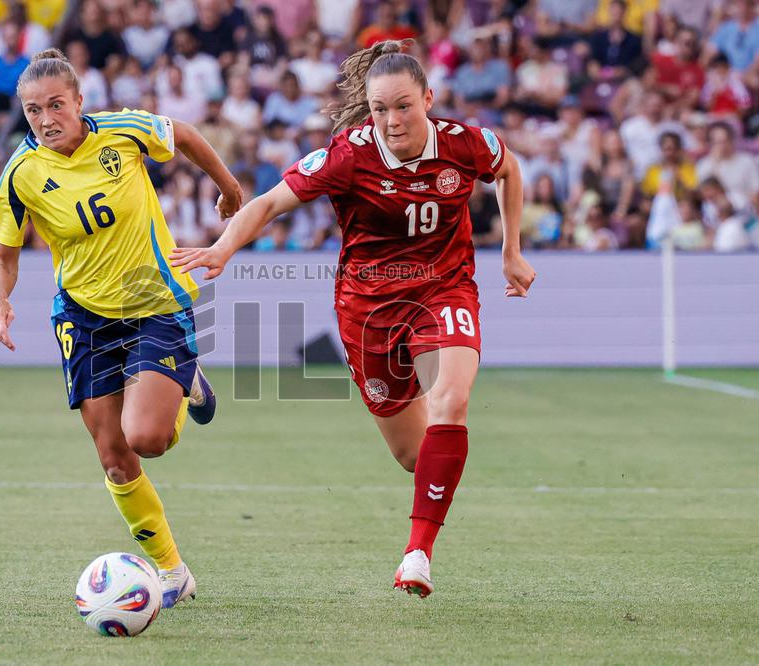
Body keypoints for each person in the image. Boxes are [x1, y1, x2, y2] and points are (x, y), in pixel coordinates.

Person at [171, 40, 535, 598]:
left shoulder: (465, 144)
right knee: (416, 455)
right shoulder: (348, 155)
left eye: (404, 106)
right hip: (368, 312)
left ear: (428, 100)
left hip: (445, 290)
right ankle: (432, 484)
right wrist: (222, 248)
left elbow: (509, 170)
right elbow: (268, 203)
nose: (392, 121)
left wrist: (512, 249)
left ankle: (417, 554)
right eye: (381, 108)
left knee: (451, 402)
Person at [0, 48, 242, 608]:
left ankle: (184, 378)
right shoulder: (22, 173)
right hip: (83, 314)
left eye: (56, 105)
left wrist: (228, 187)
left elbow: (187, 135)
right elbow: (4, 255)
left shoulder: (125, 131)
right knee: (115, 457)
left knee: (150, 438)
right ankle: (172, 572)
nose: (46, 120)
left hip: (153, 297)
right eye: (32, 111)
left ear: (79, 101)